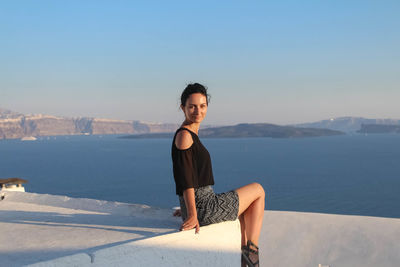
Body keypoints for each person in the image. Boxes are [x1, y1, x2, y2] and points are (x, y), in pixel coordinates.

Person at [171, 83, 265, 267]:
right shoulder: (185, 136)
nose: (198, 111)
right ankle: (251, 254)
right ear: (183, 108)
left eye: (202, 106)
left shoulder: (190, 133)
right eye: (192, 106)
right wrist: (192, 214)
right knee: (258, 190)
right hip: (204, 207)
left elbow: (189, 176)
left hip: (201, 204)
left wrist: (185, 207)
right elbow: (186, 178)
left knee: (247, 205)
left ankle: (245, 258)